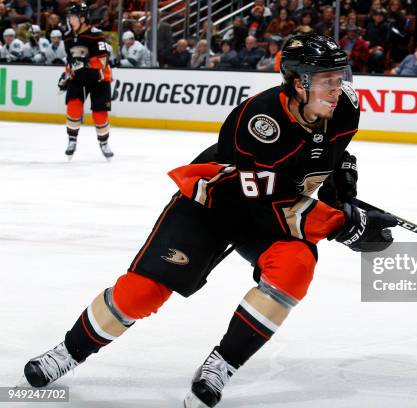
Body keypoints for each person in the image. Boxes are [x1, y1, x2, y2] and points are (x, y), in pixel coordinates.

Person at [22, 33, 396, 408]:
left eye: (340, 76)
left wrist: (346, 200)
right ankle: (68, 352)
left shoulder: (346, 106)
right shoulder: (258, 121)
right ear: (299, 82)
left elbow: (330, 155)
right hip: (214, 203)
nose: (339, 87)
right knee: (143, 292)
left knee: (294, 268)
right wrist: (338, 226)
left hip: (271, 207)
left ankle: (222, 365)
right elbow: (268, 205)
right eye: (328, 80)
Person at [58, 3, 113, 160]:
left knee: (99, 113)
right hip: (78, 78)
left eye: (74, 17)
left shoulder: (96, 35)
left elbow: (104, 61)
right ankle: (72, 140)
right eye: (70, 16)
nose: (70, 19)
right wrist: (66, 75)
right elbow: (70, 61)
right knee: (73, 106)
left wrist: (86, 63)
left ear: (83, 18)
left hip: (99, 78)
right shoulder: (68, 36)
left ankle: (104, 142)